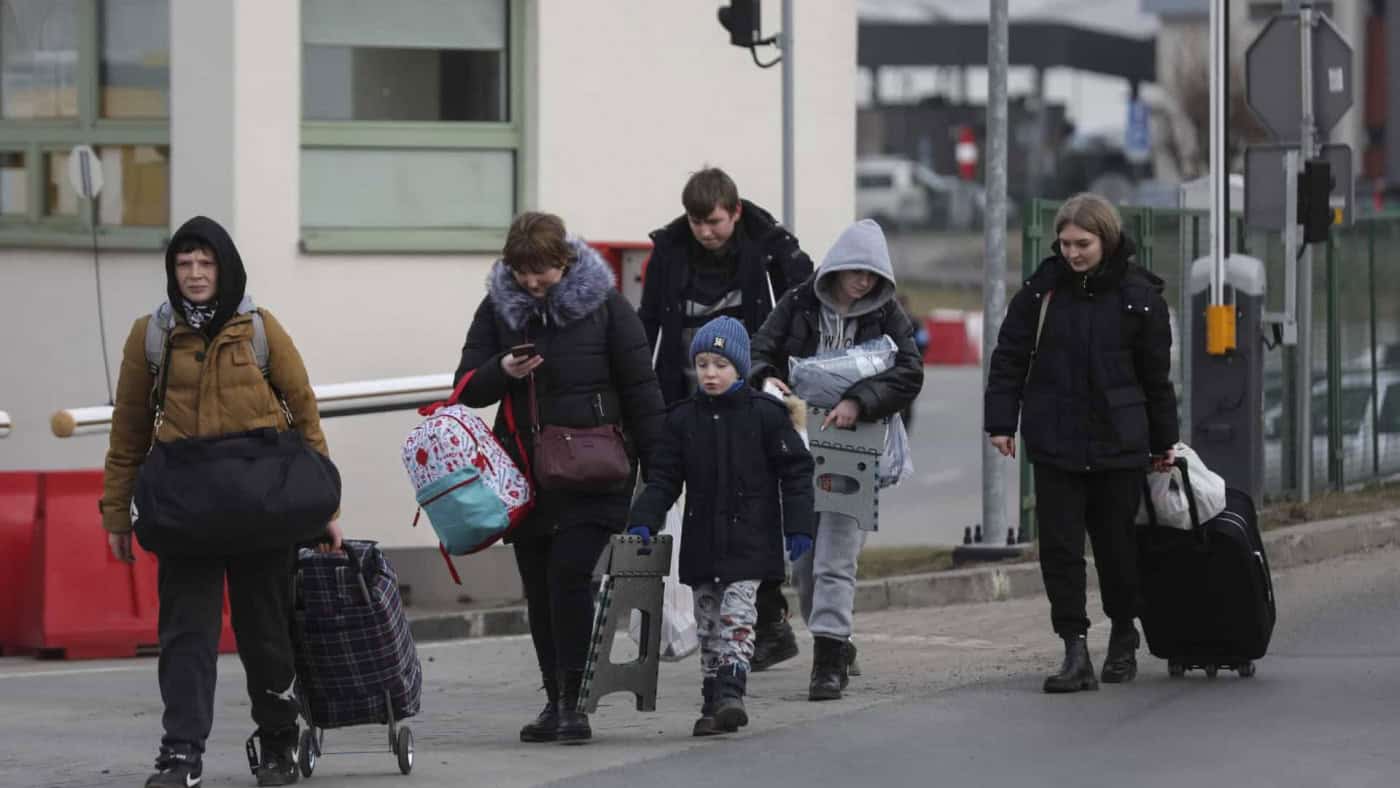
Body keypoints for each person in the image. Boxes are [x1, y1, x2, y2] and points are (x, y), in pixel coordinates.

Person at [101, 216, 341, 787]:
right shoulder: (151, 335)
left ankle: (279, 741)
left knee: (266, 634)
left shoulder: (259, 329)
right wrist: (116, 513)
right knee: (186, 637)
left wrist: (325, 509)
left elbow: (305, 414)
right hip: (186, 511)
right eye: (184, 263)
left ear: (225, 267)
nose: (195, 273)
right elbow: (129, 429)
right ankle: (181, 755)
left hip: (262, 509)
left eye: (205, 263)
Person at [453, 212, 664, 744]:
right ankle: (555, 699)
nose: (531, 282)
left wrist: (660, 477)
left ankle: (575, 701)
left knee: (568, 577)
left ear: (565, 262)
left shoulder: (608, 307)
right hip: (526, 475)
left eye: (541, 271)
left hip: (596, 470)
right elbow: (466, 387)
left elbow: (642, 391)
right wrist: (501, 371)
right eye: (521, 272)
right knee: (540, 589)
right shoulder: (498, 309)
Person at [983, 193, 1178, 693]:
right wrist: (1001, 423)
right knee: (1061, 551)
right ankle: (1074, 648)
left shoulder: (1140, 297)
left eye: (1082, 244)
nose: (1072, 253)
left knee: (1117, 549)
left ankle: (1123, 632)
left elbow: (1156, 379)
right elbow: (1009, 358)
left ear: (1106, 240)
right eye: (1065, 243)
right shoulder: (1042, 292)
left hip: (1120, 443)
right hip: (1056, 441)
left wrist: (1165, 442)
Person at [640, 166, 814, 671]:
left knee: (753, 506)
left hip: (753, 396)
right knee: (704, 508)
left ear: (735, 213)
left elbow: (803, 306)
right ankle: (738, 625)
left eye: (714, 221)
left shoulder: (768, 247)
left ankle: (766, 621)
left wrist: (781, 374)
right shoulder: (669, 252)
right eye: (697, 222)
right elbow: (648, 322)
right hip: (688, 399)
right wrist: (647, 394)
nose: (705, 232)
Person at [750, 218, 924, 701]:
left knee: (836, 558)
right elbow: (760, 350)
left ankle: (827, 663)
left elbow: (910, 371)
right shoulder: (798, 302)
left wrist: (859, 401)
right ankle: (837, 640)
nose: (863, 282)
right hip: (800, 448)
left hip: (856, 449)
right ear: (837, 266)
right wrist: (765, 377)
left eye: (873, 275)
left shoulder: (887, 313)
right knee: (806, 562)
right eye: (856, 271)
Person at [627, 316, 815, 735]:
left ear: (740, 367)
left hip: (751, 542)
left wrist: (799, 526)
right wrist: (643, 520)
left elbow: (797, 472)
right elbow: (664, 478)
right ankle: (713, 701)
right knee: (709, 625)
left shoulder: (766, 415)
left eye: (720, 365)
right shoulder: (682, 419)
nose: (710, 373)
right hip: (702, 544)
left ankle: (732, 692)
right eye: (703, 364)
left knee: (737, 618)